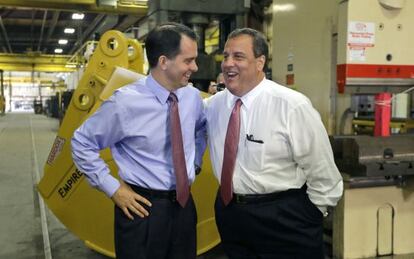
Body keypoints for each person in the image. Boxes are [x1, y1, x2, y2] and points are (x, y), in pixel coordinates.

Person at [204, 28, 343, 258]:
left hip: (283, 218)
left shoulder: (291, 106)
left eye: (238, 56)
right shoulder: (215, 105)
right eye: (225, 56)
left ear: (260, 62)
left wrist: (310, 214)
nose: (228, 63)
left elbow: (323, 172)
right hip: (231, 214)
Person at [71, 23, 206, 259]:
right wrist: (113, 189)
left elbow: (201, 129)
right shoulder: (125, 103)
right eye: (188, 60)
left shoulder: (192, 97)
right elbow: (82, 142)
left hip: (184, 207)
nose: (194, 67)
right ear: (164, 62)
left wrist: (194, 163)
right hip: (142, 210)